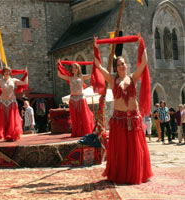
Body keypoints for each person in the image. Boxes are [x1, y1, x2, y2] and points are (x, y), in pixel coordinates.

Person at [94, 34, 153, 184]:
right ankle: (121, 174)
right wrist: (96, 48)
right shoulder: (113, 80)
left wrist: (142, 44)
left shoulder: (133, 78)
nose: (122, 66)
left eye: (123, 63)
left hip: (133, 118)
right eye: (119, 64)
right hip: (119, 119)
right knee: (121, 150)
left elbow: (144, 62)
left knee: (135, 149)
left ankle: (136, 174)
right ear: (116, 67)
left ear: (126, 65)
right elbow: (98, 66)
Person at [0, 66, 28, 141]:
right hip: (2, 102)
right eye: (5, 71)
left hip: (12, 101)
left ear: (10, 72)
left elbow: (24, 83)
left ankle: (11, 135)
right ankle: (5, 135)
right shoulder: (0, 81)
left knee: (11, 119)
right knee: (3, 119)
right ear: (3, 72)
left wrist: (26, 74)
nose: (7, 73)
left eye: (8, 71)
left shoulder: (14, 80)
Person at [57, 60, 94, 137]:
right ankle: (77, 133)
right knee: (75, 118)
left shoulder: (82, 77)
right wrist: (58, 65)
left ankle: (85, 132)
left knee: (83, 116)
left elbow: (92, 75)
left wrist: (95, 65)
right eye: (73, 67)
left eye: (76, 67)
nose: (74, 69)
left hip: (81, 98)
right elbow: (59, 75)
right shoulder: (69, 78)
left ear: (78, 69)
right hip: (73, 99)